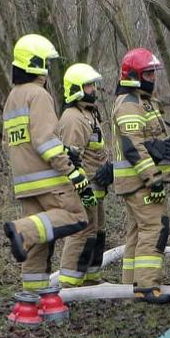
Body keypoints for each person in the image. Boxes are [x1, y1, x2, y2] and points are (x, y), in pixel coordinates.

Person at [1, 34, 95, 326]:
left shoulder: (12, 98)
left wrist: (60, 149)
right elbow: (44, 141)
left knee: (43, 237)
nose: (48, 70)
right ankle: (21, 231)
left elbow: (14, 141)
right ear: (37, 64)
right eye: (46, 64)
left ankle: (34, 295)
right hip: (48, 177)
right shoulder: (38, 95)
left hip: (25, 180)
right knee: (75, 216)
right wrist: (69, 167)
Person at [110, 48, 170, 303]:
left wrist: (158, 148)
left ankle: (131, 285)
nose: (153, 77)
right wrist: (153, 178)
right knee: (155, 228)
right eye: (148, 73)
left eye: (153, 72)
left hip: (138, 181)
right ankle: (147, 287)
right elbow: (132, 146)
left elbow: (143, 140)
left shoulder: (143, 100)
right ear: (134, 75)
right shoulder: (129, 105)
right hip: (140, 182)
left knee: (137, 231)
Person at [55, 63, 111, 289]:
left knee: (97, 230)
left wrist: (107, 169)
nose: (93, 90)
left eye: (93, 85)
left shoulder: (87, 114)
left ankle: (90, 277)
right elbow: (69, 159)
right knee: (82, 232)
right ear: (77, 88)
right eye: (88, 86)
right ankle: (68, 284)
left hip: (94, 186)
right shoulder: (72, 119)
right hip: (82, 188)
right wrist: (82, 187)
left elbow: (93, 151)